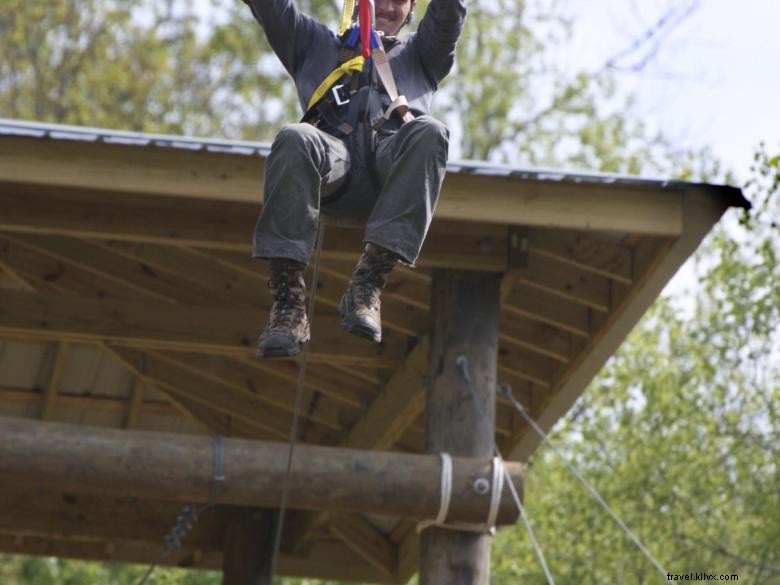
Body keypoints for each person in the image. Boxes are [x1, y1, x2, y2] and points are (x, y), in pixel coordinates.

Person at [245, 0, 467, 358]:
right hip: (331, 169)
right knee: (295, 136)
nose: (390, 7)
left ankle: (368, 285)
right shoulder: (312, 44)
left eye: (401, 1)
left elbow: (448, 12)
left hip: (391, 171)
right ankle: (288, 305)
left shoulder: (423, 52)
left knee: (430, 131)